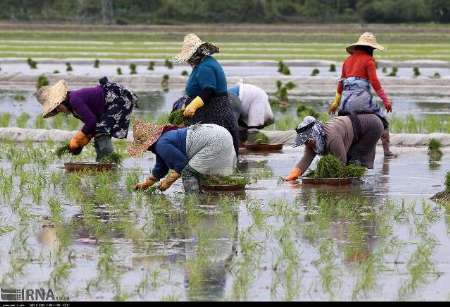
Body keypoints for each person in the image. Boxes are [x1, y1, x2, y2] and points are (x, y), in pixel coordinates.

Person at [328, 32, 396, 158]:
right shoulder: (369, 61)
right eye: (373, 49)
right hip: (362, 102)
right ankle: (387, 151)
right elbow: (375, 82)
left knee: (345, 125)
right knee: (383, 121)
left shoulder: (347, 61)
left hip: (345, 104)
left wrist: (335, 103)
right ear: (370, 48)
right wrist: (386, 101)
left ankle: (342, 151)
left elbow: (340, 84)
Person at [35, 77, 137, 161]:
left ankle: (109, 162)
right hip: (110, 103)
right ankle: (102, 163)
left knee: (102, 132)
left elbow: (91, 122)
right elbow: (93, 125)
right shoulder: (73, 109)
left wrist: (76, 139)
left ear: (62, 101)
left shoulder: (75, 100)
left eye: (57, 108)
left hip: (119, 98)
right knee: (99, 132)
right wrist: (81, 144)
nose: (59, 111)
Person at [173, 33, 240, 155]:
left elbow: (208, 90)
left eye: (189, 57)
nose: (188, 60)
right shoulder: (204, 63)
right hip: (208, 110)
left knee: (213, 146)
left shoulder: (205, 66)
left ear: (196, 54)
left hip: (213, 112)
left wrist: (193, 105)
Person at [129, 120, 237, 193]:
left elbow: (181, 165)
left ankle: (193, 200)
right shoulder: (163, 140)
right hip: (220, 132)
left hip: (214, 140)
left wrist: (167, 182)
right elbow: (161, 167)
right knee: (198, 170)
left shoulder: (162, 144)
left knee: (188, 172)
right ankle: (212, 194)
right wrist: (146, 184)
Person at [283, 114, 384, 181]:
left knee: (354, 161)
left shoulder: (332, 138)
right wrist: (290, 177)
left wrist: (328, 178)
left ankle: (357, 187)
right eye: (304, 142)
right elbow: (305, 161)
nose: (307, 144)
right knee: (350, 161)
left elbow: (341, 162)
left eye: (308, 141)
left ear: (315, 135)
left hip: (372, 127)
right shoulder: (311, 143)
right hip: (354, 129)